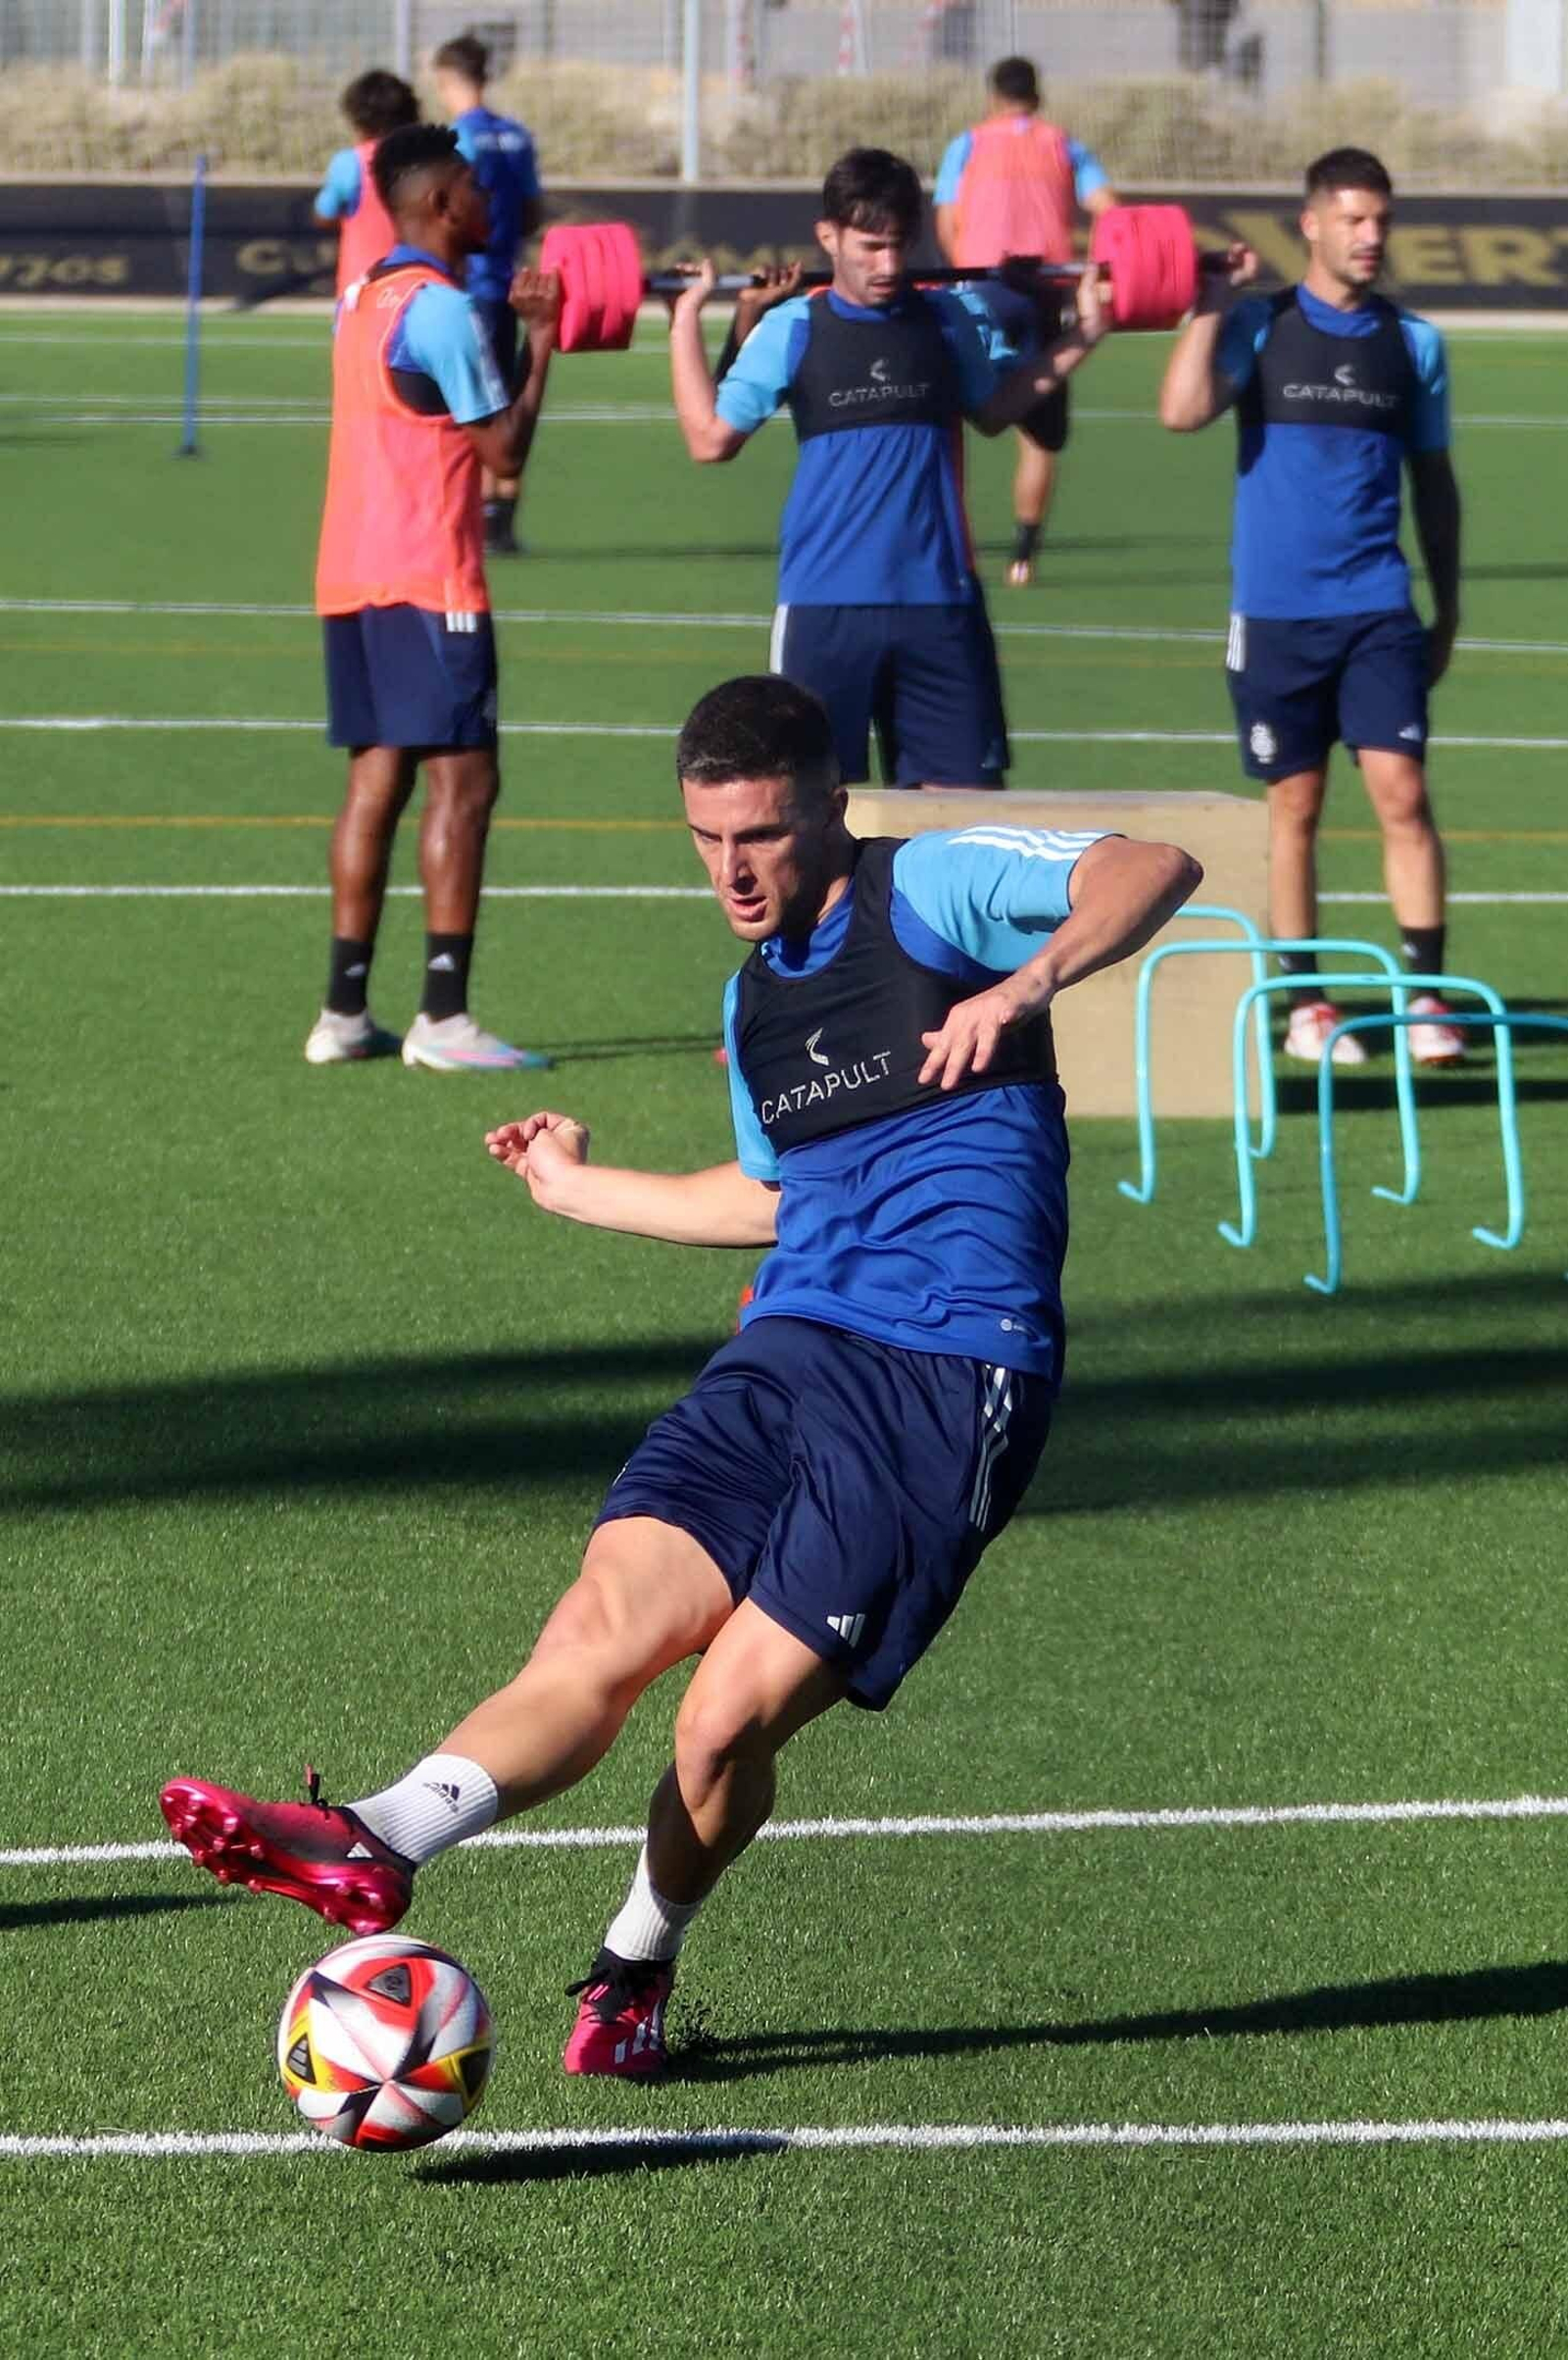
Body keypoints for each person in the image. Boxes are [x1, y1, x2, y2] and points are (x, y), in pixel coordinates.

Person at [162, 672, 1201, 2079]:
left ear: (830, 806)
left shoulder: (934, 892)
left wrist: (1022, 987)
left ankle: (633, 1970)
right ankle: (379, 1835)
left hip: (947, 1371)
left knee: (718, 1728)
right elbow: (773, 1197)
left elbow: (1157, 866)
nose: (733, 870)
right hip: (784, 1348)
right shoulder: (753, 1003)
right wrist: (573, 1190)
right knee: (598, 1628)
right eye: (707, 839)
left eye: (760, 835)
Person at [669, 147, 1109, 795]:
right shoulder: (794, 327)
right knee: (815, 825)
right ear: (829, 236)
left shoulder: (949, 317)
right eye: (871, 246)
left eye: (900, 245)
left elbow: (995, 411)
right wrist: (686, 317)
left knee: (963, 824)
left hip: (940, 603)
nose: (889, 265)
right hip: (826, 608)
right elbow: (710, 439)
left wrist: (1085, 333)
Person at [1158, 146, 1465, 1068]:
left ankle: (1426, 998)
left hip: (1377, 607)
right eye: (1355, 219)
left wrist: (1447, 607)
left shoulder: (1414, 344)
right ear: (1314, 225)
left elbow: (1436, 485)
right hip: (1278, 615)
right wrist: (1211, 306)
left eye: (1382, 220)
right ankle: (1308, 1004)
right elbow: (1178, 411)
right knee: (1293, 806)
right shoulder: (1259, 326)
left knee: (1402, 794)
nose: (1372, 237)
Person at [306, 123, 558, 1074]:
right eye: (478, 188)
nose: (492, 202)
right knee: (465, 783)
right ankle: (444, 1017)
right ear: (445, 204)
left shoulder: (360, 297)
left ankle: (342, 1012)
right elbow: (504, 455)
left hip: (351, 574)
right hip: (430, 577)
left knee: (376, 780)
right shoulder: (444, 309)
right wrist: (541, 339)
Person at [933, 56, 1119, 588]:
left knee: (949, 419)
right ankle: (1022, 556)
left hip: (982, 293)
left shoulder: (967, 144)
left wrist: (964, 274)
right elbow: (1108, 207)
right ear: (1037, 99)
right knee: (1037, 437)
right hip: (1046, 294)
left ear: (992, 97)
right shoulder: (1065, 144)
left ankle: (949, 543)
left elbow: (948, 219)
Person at [433, 30, 545, 558]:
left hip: (471, 284)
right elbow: (530, 211)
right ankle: (504, 520)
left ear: (447, 79)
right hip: (508, 280)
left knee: (473, 404)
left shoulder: (457, 138)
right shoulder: (517, 135)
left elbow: (448, 212)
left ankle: (477, 520)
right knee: (509, 396)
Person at [312, 69, 420, 297]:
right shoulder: (427, 161)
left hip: (362, 287)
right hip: (415, 284)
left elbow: (324, 215)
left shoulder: (350, 163)